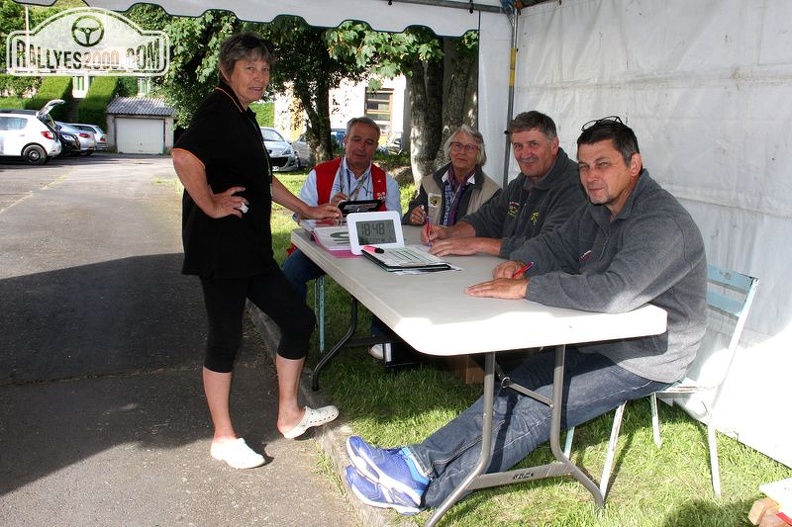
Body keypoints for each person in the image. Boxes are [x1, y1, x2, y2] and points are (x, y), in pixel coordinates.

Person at [342, 116, 708, 514]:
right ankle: (416, 462)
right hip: (601, 337)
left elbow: (613, 293)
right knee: (515, 383)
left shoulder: (661, 222)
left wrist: (527, 286)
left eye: (603, 165)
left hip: (647, 354)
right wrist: (521, 263)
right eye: (584, 166)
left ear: (633, 164)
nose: (590, 177)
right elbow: (556, 245)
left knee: (539, 404)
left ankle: (426, 492)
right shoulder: (600, 206)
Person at [171, 32, 340, 470]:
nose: (259, 76)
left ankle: (290, 415)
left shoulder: (243, 114)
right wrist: (209, 203)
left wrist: (307, 209)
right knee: (225, 339)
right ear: (227, 70)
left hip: (250, 250)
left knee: (298, 318)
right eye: (250, 68)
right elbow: (184, 155)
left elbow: (262, 178)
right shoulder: (217, 109)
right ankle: (223, 437)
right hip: (220, 249)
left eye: (265, 69)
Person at [422, 111, 585, 257]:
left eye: (533, 144)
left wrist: (476, 244)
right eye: (518, 146)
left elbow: (548, 246)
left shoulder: (575, 185)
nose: (524, 154)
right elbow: (486, 220)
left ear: (554, 145)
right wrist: (448, 233)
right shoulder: (521, 182)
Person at [281, 116, 402, 301]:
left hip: (369, 251)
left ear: (376, 146)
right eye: (356, 139)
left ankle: (380, 330)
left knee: (394, 273)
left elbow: (393, 226)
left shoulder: (387, 182)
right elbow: (299, 216)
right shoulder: (320, 173)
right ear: (345, 140)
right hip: (323, 249)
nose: (361, 147)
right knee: (290, 272)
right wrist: (326, 213)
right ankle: (297, 327)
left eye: (369, 142)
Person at [402, 124, 501, 227]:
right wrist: (413, 216)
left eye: (470, 148)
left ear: (479, 155)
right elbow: (408, 217)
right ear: (449, 150)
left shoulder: (492, 193)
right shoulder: (430, 183)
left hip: (467, 243)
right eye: (458, 145)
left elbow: (492, 231)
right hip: (432, 242)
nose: (462, 152)